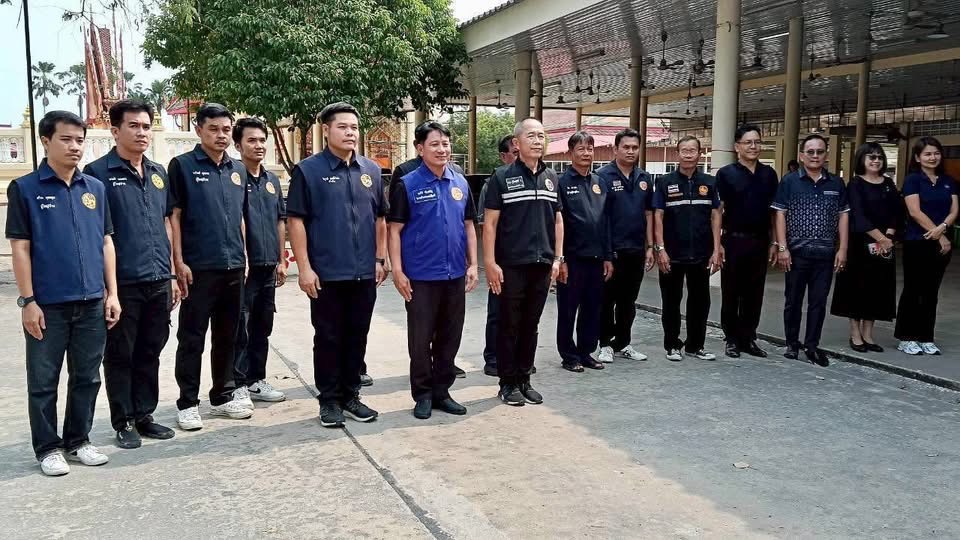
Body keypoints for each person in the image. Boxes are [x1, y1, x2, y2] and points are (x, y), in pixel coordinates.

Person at [6, 110, 120, 475]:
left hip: (92, 302)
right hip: (48, 305)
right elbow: (20, 248)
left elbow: (106, 242)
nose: (75, 146)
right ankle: (47, 448)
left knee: (87, 377)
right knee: (43, 382)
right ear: (46, 141)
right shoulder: (25, 188)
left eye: (79, 140)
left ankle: (78, 440)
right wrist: (28, 301)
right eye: (66, 139)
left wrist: (112, 293)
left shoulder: (95, 189)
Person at [83, 100, 179, 449]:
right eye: (133, 126)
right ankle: (123, 420)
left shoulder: (157, 172)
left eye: (146, 126)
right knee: (120, 354)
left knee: (151, 349)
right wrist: (108, 290)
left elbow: (166, 223)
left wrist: (171, 274)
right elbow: (96, 234)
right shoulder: (97, 174)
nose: (142, 133)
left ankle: (144, 415)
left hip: (158, 278)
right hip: (122, 282)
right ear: (115, 130)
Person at [287, 102, 388, 428]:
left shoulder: (371, 170)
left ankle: (350, 396)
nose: (350, 133)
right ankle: (329, 400)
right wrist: (304, 268)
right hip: (327, 273)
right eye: (342, 127)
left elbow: (380, 219)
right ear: (326, 130)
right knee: (329, 337)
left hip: (364, 272)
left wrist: (379, 259)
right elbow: (296, 221)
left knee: (357, 336)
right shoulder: (308, 171)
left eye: (354, 127)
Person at [387, 121, 479, 419]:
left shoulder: (460, 182)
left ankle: (442, 391)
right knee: (420, 338)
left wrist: (473, 264)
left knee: (449, 337)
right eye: (435, 144)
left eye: (446, 144)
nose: (442, 150)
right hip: (420, 276)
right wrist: (397, 271)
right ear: (420, 148)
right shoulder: (407, 183)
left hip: (454, 275)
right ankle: (423, 394)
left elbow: (469, 225)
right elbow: (394, 230)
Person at [169, 103, 251, 429]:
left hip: (233, 266)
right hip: (198, 267)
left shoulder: (237, 169)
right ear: (198, 129)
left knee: (228, 335)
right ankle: (188, 402)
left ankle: (223, 394)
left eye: (226, 130)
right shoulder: (182, 166)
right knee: (192, 338)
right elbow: (174, 217)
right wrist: (178, 261)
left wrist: (244, 255)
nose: (221, 135)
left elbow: (240, 216)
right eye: (213, 129)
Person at [484, 117, 563, 406]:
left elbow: (558, 219)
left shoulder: (552, 177)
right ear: (517, 143)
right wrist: (490, 263)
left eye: (541, 135)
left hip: (542, 263)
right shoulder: (502, 177)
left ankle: (524, 378)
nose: (538, 141)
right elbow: (490, 224)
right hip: (511, 265)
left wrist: (558, 258)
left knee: (531, 324)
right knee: (509, 324)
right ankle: (507, 383)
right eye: (531, 135)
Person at [772, 134, 849, 367]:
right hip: (796, 254)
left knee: (818, 303)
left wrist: (843, 248)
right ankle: (792, 344)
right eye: (810, 152)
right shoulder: (789, 181)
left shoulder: (836, 183)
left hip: (825, 255)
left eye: (820, 152)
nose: (815, 156)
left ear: (827, 155)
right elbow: (779, 214)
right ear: (801, 155)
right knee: (793, 301)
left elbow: (843, 215)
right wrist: (782, 247)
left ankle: (812, 346)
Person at [231, 118, 288, 406]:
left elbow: (280, 221)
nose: (258, 145)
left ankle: (256, 379)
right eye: (251, 140)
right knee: (239, 328)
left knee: (262, 327)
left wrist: (281, 259)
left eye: (262, 140)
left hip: (268, 266)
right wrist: (242, 258)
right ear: (238, 145)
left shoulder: (271, 180)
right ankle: (237, 383)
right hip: (244, 269)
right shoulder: (232, 177)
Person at [652, 135, 722, 361]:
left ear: (700, 154)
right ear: (677, 154)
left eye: (693, 150)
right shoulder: (664, 182)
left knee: (700, 302)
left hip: (701, 253)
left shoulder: (710, 182)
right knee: (671, 301)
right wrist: (660, 249)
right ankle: (672, 345)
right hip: (672, 254)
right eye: (684, 150)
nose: (689, 154)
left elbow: (715, 216)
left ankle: (695, 345)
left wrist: (716, 249)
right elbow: (658, 216)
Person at [830, 143, 902, 353]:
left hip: (884, 246)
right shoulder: (855, 184)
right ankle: (855, 334)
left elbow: (897, 212)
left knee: (877, 289)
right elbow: (857, 216)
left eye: (879, 157)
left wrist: (888, 237)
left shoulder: (888, 183)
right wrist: (881, 238)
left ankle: (868, 334)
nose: (876, 161)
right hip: (859, 246)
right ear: (862, 159)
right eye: (871, 157)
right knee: (857, 289)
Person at [716, 125, 779, 358]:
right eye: (748, 142)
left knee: (755, 293)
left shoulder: (769, 174)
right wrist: (717, 244)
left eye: (757, 142)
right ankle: (731, 339)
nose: (753, 146)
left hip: (760, 241)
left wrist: (775, 242)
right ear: (737, 147)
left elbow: (775, 213)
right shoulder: (726, 174)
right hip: (733, 240)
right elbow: (717, 211)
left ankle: (748, 338)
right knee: (731, 292)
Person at [556, 131, 613, 372]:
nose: (586, 153)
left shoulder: (600, 182)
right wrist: (560, 259)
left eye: (590, 148)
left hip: (597, 258)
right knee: (568, 309)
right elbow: (557, 222)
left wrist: (608, 256)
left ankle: (585, 352)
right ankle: (569, 355)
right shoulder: (561, 182)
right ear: (570, 153)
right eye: (581, 148)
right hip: (572, 259)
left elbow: (606, 221)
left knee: (592, 309)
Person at [895, 136, 958, 355]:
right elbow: (915, 212)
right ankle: (906, 337)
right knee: (914, 289)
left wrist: (943, 228)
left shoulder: (948, 181)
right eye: (927, 154)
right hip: (917, 242)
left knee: (932, 291)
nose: (933, 157)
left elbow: (954, 210)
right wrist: (939, 235)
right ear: (917, 157)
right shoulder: (913, 180)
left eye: (936, 153)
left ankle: (925, 337)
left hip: (941, 245)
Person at [596, 128, 654, 363]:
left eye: (635, 147)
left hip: (636, 249)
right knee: (606, 300)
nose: (631, 151)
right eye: (626, 147)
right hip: (612, 251)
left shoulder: (644, 178)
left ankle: (623, 343)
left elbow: (649, 213)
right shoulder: (602, 176)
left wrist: (650, 247)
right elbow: (600, 217)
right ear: (615, 149)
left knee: (628, 301)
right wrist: (605, 253)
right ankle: (605, 344)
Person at [478, 134, 518, 377]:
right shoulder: (494, 183)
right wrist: (490, 261)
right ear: (503, 156)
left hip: (525, 260)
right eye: (514, 152)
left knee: (521, 313)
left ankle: (517, 358)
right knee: (497, 311)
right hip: (501, 260)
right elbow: (486, 226)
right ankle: (492, 357)